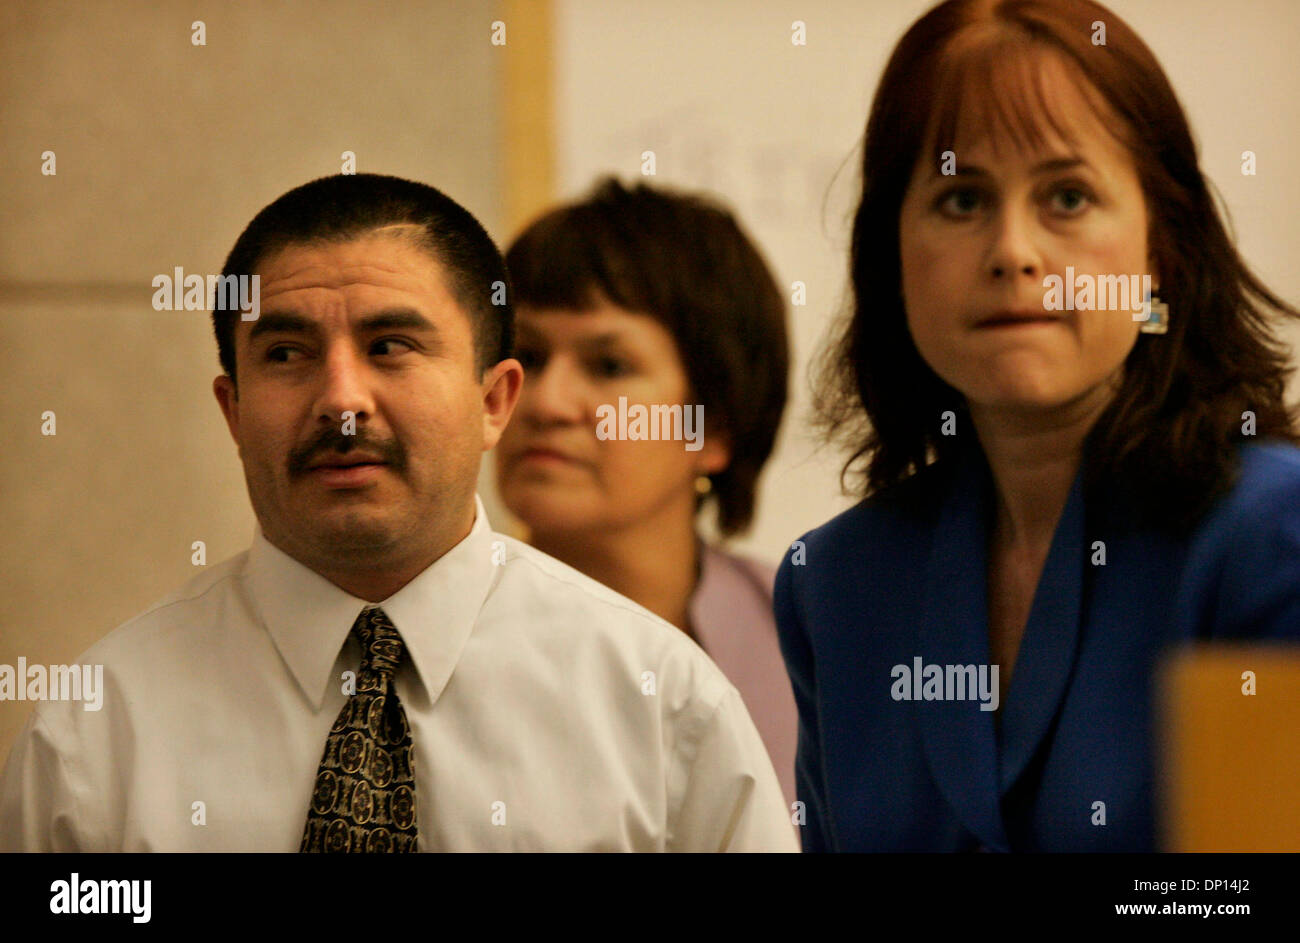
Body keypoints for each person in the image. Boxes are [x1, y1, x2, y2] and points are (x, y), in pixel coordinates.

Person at [0, 173, 797, 852]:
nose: (342, 400)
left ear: (493, 400)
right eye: (286, 353)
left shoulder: (664, 706)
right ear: (233, 408)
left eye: (390, 346)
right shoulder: (96, 734)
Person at [776, 0, 1300, 852]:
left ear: (1161, 250)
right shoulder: (836, 585)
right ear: (890, 256)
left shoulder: (1267, 535)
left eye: (1067, 195)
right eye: (961, 199)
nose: (1013, 250)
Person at [495, 178, 799, 807]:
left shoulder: (809, 642)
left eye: (608, 367)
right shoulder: (417, 639)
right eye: (528, 355)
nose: (546, 402)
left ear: (711, 425)